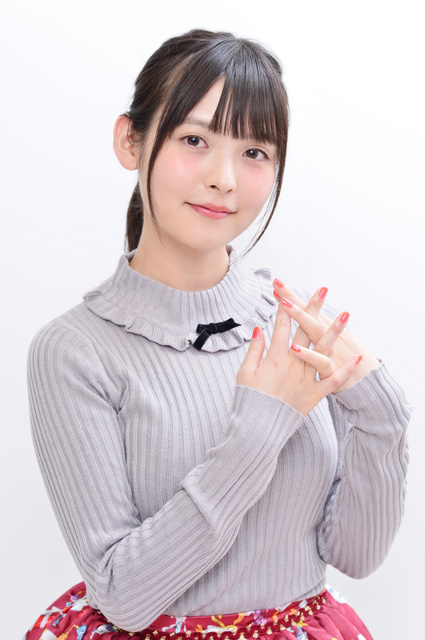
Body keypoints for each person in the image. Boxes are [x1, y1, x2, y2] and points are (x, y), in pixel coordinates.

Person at [24, 29, 410, 640]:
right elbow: (122, 596)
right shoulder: (75, 351)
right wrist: (258, 430)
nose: (224, 178)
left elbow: (355, 556)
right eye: (194, 140)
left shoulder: (293, 321)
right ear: (130, 141)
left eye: (254, 151)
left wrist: (383, 412)